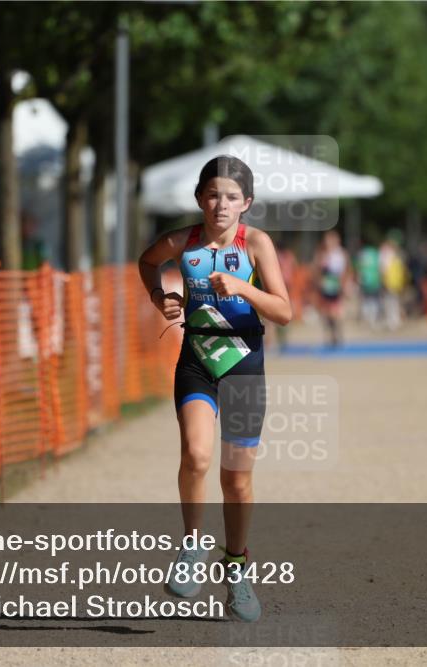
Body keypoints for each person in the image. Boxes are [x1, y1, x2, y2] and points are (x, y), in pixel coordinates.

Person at [137, 155, 291, 623]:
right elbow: (147, 261)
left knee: (236, 480)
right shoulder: (183, 242)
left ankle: (237, 568)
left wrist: (243, 289)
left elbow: (284, 311)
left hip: (244, 363)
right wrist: (160, 296)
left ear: (246, 202)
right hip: (197, 361)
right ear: (199, 198)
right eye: (211, 194)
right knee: (197, 456)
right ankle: (192, 548)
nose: (219, 204)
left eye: (229, 197)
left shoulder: (256, 244)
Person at [314, 230, 348, 347]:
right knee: (325, 313)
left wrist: (343, 286)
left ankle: (337, 335)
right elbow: (317, 270)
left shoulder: (341, 254)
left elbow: (344, 272)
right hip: (325, 287)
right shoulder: (322, 254)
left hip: (336, 287)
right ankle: (329, 336)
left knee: (336, 313)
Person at [379, 233, 408, 331]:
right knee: (395, 302)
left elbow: (384, 271)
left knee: (390, 303)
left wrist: (383, 282)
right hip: (396, 283)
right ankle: (395, 321)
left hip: (389, 283)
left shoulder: (387, 256)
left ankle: (392, 322)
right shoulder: (398, 256)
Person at [355, 240, 382, 329]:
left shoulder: (362, 254)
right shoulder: (376, 253)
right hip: (374, 280)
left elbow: (358, 267)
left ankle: (367, 319)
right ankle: (372, 320)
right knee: (373, 300)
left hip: (365, 280)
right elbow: (380, 267)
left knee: (366, 300)